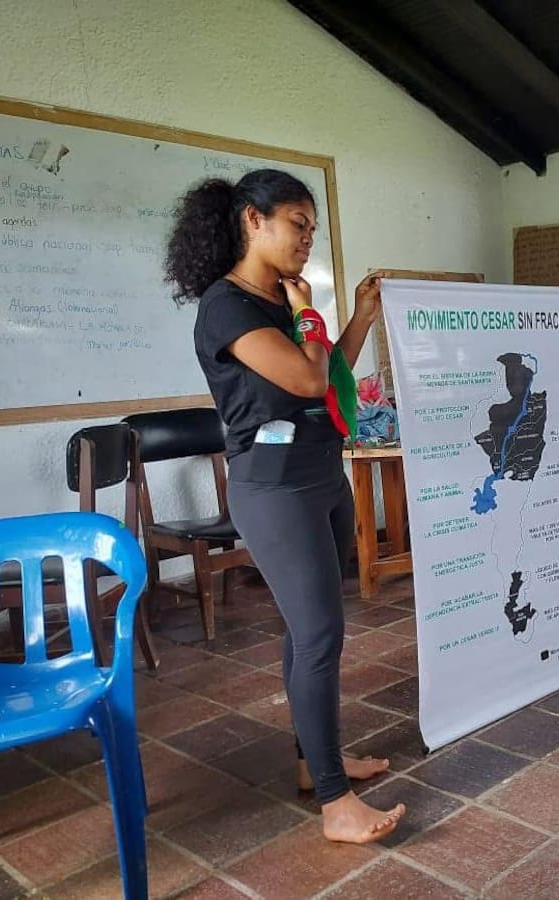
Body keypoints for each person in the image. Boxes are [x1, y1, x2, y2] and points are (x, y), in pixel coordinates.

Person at [164, 169, 404, 844]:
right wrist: (308, 313)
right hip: (273, 490)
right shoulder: (228, 305)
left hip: (321, 475)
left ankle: (313, 763)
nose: (307, 239)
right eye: (298, 224)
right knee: (321, 635)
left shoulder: (282, 300)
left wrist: (357, 316)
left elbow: (328, 380)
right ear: (253, 220)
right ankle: (335, 804)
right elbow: (302, 375)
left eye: (312, 229)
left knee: (311, 633)